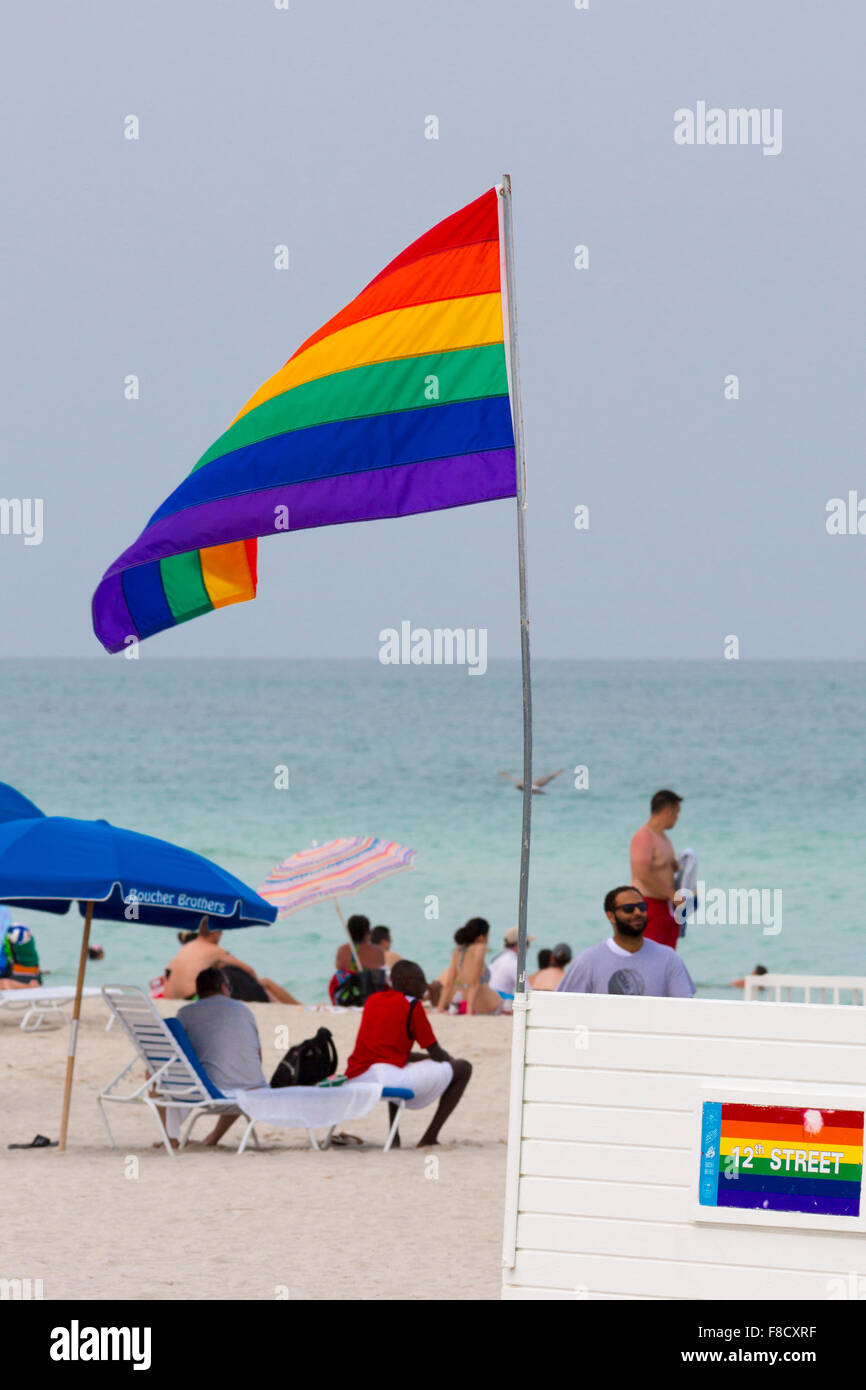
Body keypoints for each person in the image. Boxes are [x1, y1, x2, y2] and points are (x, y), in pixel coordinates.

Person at [346, 959, 472, 1146]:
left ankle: (394, 1136)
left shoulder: (373, 1000)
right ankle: (430, 1137)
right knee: (463, 1067)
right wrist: (448, 1059)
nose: (425, 985)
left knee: (400, 1066)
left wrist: (425, 1058)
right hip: (387, 1077)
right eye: (421, 981)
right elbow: (436, 1053)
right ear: (407, 983)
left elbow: (390, 1052)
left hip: (359, 1076)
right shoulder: (412, 1005)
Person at [170, 966, 268, 1148]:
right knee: (237, 1074)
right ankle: (213, 1138)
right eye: (229, 988)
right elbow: (257, 1058)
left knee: (154, 1075)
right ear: (223, 987)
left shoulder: (186, 1013)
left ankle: (171, 1139)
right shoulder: (245, 1010)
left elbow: (178, 1057)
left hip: (215, 1093)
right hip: (253, 1088)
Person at [558, 886, 695, 997]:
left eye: (642, 907)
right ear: (611, 916)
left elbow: (686, 1010)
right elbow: (564, 1008)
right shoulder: (587, 961)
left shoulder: (669, 958)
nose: (637, 912)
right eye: (628, 909)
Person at [163, 918, 299, 1004]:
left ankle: (280, 1003)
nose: (221, 936)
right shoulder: (214, 950)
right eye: (221, 932)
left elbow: (167, 976)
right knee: (265, 982)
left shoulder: (186, 947)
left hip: (180, 1000)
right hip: (197, 997)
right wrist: (257, 985)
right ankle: (299, 1007)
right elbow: (248, 969)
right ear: (215, 933)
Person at [629, 789, 684, 950]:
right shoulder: (643, 836)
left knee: (668, 958)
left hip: (667, 906)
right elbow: (642, 874)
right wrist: (671, 894)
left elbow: (665, 868)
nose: (677, 819)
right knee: (649, 956)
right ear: (667, 811)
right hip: (649, 904)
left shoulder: (664, 838)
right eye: (676, 814)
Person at [436, 918, 507, 1015]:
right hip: (484, 1002)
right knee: (509, 1004)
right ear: (481, 937)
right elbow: (475, 981)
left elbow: (449, 982)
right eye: (488, 935)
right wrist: (469, 1011)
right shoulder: (481, 948)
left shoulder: (458, 950)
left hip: (460, 1000)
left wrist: (440, 1008)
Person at [487, 924, 536, 997]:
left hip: (487, 998)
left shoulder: (497, 959)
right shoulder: (515, 964)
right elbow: (527, 992)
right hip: (498, 1003)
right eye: (527, 943)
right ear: (519, 944)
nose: (528, 947)